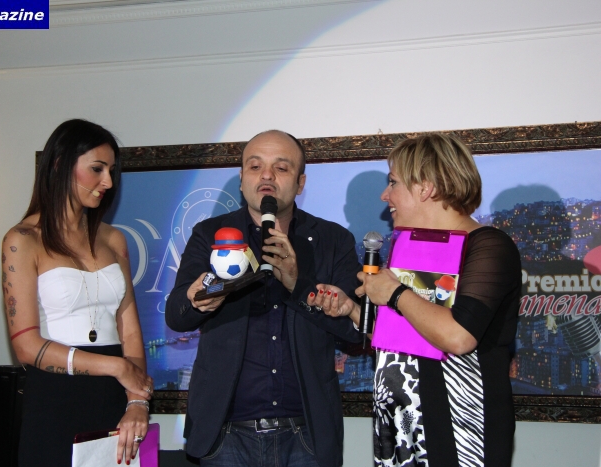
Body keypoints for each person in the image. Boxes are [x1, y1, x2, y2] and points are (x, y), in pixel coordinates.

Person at [309, 133, 521, 467]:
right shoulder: (414, 248)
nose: (385, 195)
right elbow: (407, 334)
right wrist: (352, 310)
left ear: (425, 188)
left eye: (393, 182)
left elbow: (458, 336)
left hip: (459, 431)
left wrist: (395, 293)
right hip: (402, 430)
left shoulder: (488, 246)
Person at [165, 130, 362, 467]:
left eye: (281, 168)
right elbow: (177, 315)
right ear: (242, 180)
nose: (266, 176)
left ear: (300, 183)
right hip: (225, 436)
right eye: (255, 167)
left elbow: (354, 332)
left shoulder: (333, 240)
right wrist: (200, 297)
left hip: (307, 434)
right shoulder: (210, 235)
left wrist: (298, 284)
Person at [2, 119, 153, 467]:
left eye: (111, 171)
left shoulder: (114, 239)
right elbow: (26, 346)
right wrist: (115, 366)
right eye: (97, 169)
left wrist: (137, 402)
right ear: (59, 164)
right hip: (55, 400)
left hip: (116, 401)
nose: (108, 182)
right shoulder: (22, 240)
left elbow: (130, 331)